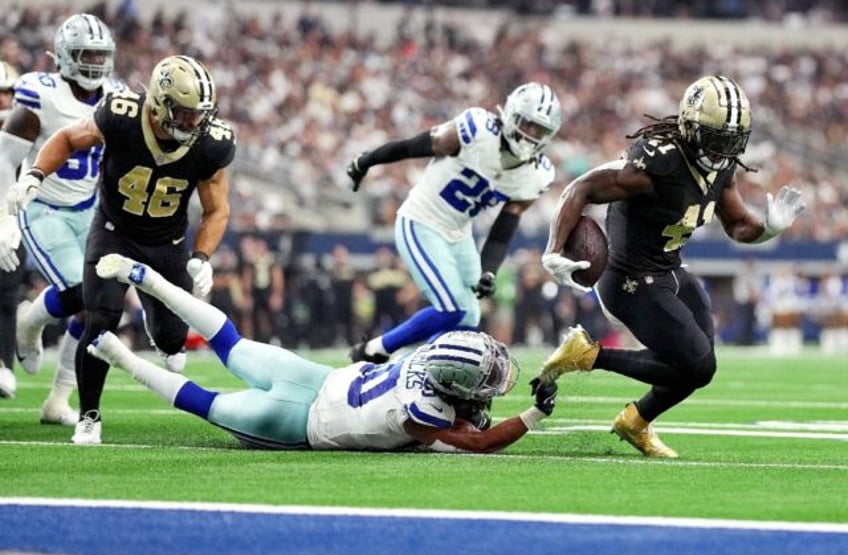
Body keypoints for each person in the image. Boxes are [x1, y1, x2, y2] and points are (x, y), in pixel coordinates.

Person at [539, 75, 805, 458]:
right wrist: (554, 248)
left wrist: (769, 230)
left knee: (697, 363)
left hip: (669, 269)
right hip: (627, 277)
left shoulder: (720, 166)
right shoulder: (658, 161)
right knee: (698, 366)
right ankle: (586, 355)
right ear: (690, 126)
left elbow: (738, 225)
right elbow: (580, 188)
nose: (721, 150)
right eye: (715, 138)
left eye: (731, 140)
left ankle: (635, 421)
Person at [86, 252, 559, 452]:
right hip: (298, 423)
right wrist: (535, 413)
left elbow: (460, 406)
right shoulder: (424, 412)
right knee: (203, 402)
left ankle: (150, 280)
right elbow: (477, 441)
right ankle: (122, 357)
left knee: (229, 343)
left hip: (316, 377)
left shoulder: (428, 355)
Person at [5, 54, 236, 444]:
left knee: (172, 342)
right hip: (114, 231)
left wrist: (201, 257)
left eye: (199, 113)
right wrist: (36, 175)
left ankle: (155, 317)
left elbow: (217, 209)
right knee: (101, 319)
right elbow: (66, 138)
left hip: (169, 242)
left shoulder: (212, 144)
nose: (194, 123)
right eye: (184, 114)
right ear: (161, 104)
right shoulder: (122, 115)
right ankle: (89, 415)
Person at [346, 82, 562, 363]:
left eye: (540, 130)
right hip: (421, 220)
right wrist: (367, 160)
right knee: (451, 309)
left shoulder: (536, 175)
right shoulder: (478, 130)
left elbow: (502, 231)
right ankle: (377, 350)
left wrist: (489, 271)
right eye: (527, 124)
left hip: (459, 232)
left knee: (469, 315)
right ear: (511, 114)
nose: (530, 134)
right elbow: (414, 146)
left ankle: (427, 367)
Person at [0, 14, 122, 424]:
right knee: (83, 291)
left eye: (101, 55)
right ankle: (30, 321)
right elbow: (5, 157)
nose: (94, 63)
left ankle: (58, 400)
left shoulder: (115, 96)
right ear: (66, 55)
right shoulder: (40, 93)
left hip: (88, 209)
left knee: (98, 305)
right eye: (87, 54)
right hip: (43, 206)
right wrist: (4, 216)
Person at [0, 59, 21, 399]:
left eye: (8, 93)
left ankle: (3, 364)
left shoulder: (23, 130)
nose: (3, 101)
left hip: (9, 222)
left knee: (6, 294)